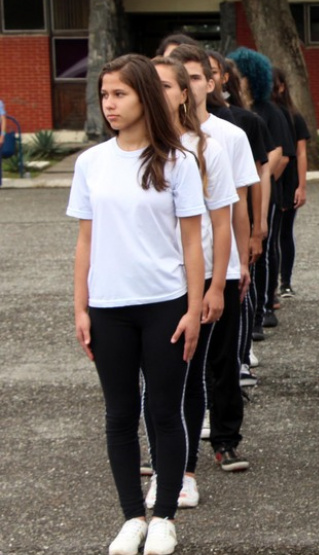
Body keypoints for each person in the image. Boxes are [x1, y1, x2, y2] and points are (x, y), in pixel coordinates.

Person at [67, 53, 205, 555]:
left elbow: (194, 242)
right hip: (108, 307)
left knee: (164, 412)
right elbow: (86, 240)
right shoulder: (91, 163)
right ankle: (132, 516)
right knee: (119, 413)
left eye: (119, 93)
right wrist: (81, 307)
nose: (110, 104)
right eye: (104, 94)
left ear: (145, 96)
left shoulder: (178, 162)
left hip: (164, 304)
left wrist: (193, 309)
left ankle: (165, 514)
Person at [142, 56, 238, 510]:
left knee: (189, 376)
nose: (158, 93)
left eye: (166, 85)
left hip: (193, 282)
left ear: (185, 93)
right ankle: (161, 466)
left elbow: (222, 226)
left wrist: (217, 286)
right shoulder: (131, 148)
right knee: (152, 383)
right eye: (151, 85)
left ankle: (184, 473)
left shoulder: (207, 149)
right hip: (147, 284)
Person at [169, 44, 259, 466]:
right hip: (169, 270)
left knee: (222, 356)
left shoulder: (227, 137)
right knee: (169, 362)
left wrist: (242, 260)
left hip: (215, 261)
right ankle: (169, 444)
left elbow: (235, 205)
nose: (187, 85)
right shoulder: (151, 137)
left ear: (209, 82)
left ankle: (225, 438)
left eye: (194, 76)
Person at [229, 47, 293, 332]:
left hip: (267, 193)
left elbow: (279, 152)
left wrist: (261, 181)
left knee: (264, 251)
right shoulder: (238, 112)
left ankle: (266, 304)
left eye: (242, 75)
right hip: (243, 195)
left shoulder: (270, 111)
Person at [272, 67, 311, 298]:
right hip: (273, 177)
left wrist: (302, 186)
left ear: (282, 86)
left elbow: (302, 153)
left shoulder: (293, 116)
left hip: (288, 180)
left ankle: (285, 282)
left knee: (285, 232)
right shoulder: (261, 113)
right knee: (271, 234)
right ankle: (271, 286)